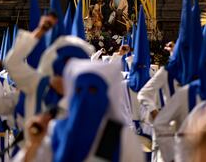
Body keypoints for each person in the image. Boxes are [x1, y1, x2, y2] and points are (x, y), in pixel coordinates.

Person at [13, 59, 145, 162]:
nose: (84, 98)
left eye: (93, 90)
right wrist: (33, 144)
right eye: (78, 91)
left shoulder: (119, 135)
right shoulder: (55, 130)